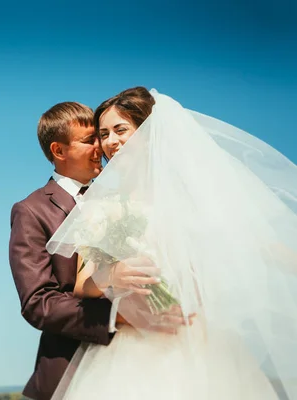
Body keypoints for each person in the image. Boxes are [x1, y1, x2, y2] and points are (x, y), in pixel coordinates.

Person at [47, 87, 297, 399]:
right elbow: (82, 283)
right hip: (133, 346)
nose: (110, 142)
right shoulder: (103, 203)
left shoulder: (195, 194)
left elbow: (256, 244)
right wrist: (113, 274)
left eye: (120, 130)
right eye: (103, 133)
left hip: (203, 339)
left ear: (149, 131)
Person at [8, 101, 181, 400]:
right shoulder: (32, 211)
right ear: (59, 151)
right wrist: (121, 316)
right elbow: (38, 303)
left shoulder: (125, 198)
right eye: (90, 141)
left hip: (150, 360)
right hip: (72, 372)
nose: (100, 147)